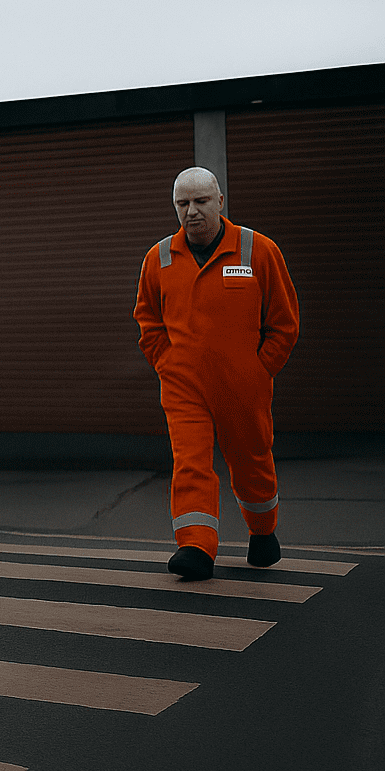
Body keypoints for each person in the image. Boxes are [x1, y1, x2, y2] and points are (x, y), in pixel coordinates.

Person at [134, 167, 299, 581]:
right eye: (182, 203)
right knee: (189, 462)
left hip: (243, 386)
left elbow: (284, 321)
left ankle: (263, 532)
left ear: (220, 201)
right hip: (183, 387)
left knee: (251, 460)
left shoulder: (257, 250)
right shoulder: (159, 258)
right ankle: (196, 546)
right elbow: (148, 321)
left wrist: (261, 369)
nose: (192, 212)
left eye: (201, 201)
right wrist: (166, 364)